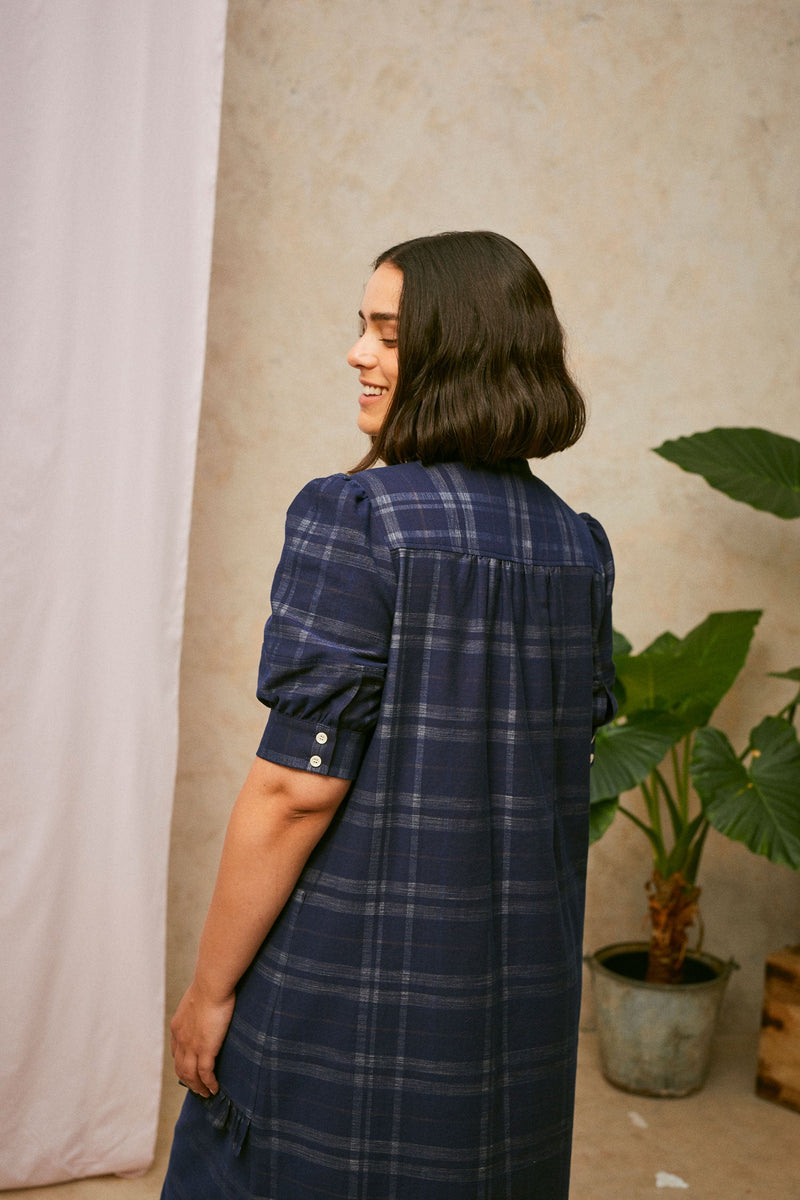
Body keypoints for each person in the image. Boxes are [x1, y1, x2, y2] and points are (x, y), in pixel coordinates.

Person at [161, 231, 615, 1199]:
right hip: (512, 1008)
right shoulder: (577, 549)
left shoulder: (358, 517)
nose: (358, 355)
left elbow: (292, 790)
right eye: (361, 329)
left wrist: (207, 993)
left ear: (461, 352)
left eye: (388, 335)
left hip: (355, 986)